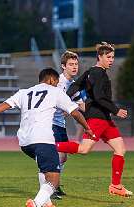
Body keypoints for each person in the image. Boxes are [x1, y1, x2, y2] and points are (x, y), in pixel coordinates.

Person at [0, 68, 94, 207]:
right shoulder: (55, 92)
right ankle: (36, 204)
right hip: (43, 139)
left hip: (25, 142)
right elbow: (75, 112)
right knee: (54, 179)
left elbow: (5, 104)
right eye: (57, 82)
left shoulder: (24, 92)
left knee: (46, 169)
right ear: (51, 80)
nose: (57, 85)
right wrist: (87, 128)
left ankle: (46, 204)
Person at [55, 42, 133, 198]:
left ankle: (115, 186)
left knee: (120, 149)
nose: (111, 60)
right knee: (84, 149)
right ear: (100, 57)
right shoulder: (98, 73)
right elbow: (99, 97)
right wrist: (116, 110)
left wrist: (67, 103)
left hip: (105, 118)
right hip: (97, 118)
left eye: (112, 57)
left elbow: (74, 87)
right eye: (108, 57)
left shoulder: (90, 72)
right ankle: (49, 145)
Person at [51, 50, 84, 199]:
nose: (74, 67)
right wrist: (65, 108)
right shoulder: (58, 82)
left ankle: (55, 186)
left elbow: (81, 105)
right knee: (58, 155)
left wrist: (103, 110)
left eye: (76, 64)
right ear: (63, 66)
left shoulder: (73, 85)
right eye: (71, 64)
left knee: (63, 158)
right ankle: (50, 187)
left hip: (60, 124)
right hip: (51, 123)